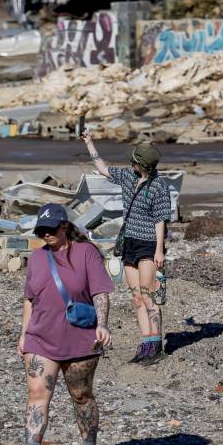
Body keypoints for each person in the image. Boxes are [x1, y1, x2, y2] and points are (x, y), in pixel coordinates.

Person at [9, 204, 114, 445]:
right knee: (37, 393)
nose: (46, 234)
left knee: (81, 395)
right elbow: (29, 300)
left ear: (65, 226)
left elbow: (101, 293)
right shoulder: (37, 258)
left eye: (51, 228)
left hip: (81, 339)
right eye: (41, 230)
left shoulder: (86, 253)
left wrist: (102, 325)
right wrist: (23, 334)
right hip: (40, 338)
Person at [82, 131, 171, 364]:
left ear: (142, 164)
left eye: (133, 160)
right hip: (129, 242)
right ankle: (145, 343)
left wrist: (160, 250)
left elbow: (161, 219)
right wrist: (90, 143)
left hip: (149, 244)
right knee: (137, 298)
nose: (129, 163)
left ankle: (155, 345)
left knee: (148, 294)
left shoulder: (159, 186)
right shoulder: (128, 177)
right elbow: (103, 168)